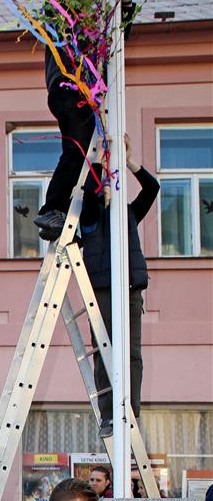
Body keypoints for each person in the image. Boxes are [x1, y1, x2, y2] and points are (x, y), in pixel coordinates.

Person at [33, 0, 139, 242]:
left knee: (83, 155)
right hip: (67, 88)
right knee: (78, 150)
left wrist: (126, 3)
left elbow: (114, 47)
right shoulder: (61, 18)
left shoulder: (92, 38)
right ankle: (51, 210)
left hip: (82, 94)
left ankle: (68, 216)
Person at [80, 135, 160, 437]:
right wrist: (101, 160)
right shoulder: (90, 217)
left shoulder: (128, 214)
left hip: (129, 288)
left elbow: (152, 188)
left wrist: (128, 161)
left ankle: (131, 413)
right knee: (104, 351)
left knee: (133, 355)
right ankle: (109, 414)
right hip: (101, 289)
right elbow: (88, 192)